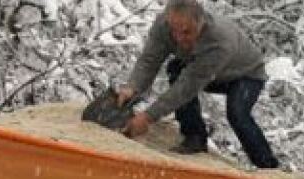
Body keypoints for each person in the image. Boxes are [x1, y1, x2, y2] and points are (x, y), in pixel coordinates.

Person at [118, 0, 279, 169]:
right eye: (174, 31)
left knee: (237, 113)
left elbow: (187, 86)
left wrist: (148, 116)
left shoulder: (219, 41)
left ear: (201, 23)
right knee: (176, 68)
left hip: (247, 74)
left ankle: (267, 166)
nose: (179, 38)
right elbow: (150, 60)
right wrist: (133, 87)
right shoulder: (163, 25)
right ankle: (194, 137)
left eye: (187, 32)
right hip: (210, 71)